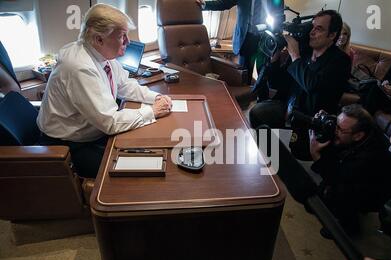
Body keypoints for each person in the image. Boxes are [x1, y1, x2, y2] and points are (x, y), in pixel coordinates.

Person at [37, 4, 172, 178]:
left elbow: (124, 84)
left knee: (143, 148)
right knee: (137, 169)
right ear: (99, 39)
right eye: (122, 36)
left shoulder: (100, 55)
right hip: (69, 145)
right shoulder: (79, 67)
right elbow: (110, 123)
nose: (128, 41)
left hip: (92, 132)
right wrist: (152, 111)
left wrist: (156, 97)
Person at [249, 10, 351, 159]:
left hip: (310, 118)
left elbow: (313, 86)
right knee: (256, 113)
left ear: (332, 35)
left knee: (298, 156)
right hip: (289, 107)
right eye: (313, 27)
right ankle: (267, 155)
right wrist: (274, 59)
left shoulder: (340, 61)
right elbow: (278, 83)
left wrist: (295, 56)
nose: (312, 32)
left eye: (319, 29)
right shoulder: (305, 52)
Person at [309, 105, 391, 238]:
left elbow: (337, 176)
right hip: (360, 174)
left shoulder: (369, 156)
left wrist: (316, 155)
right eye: (336, 124)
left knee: (340, 190)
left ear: (358, 136)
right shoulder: (360, 133)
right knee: (323, 194)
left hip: (377, 192)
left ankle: (349, 227)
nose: (334, 130)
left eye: (339, 129)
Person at [196, 0, 282, 84]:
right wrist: (205, 4)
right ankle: (246, 96)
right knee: (244, 75)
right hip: (246, 38)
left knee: (264, 75)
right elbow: (224, 3)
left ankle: (263, 97)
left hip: (266, 40)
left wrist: (278, 44)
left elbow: (280, 17)